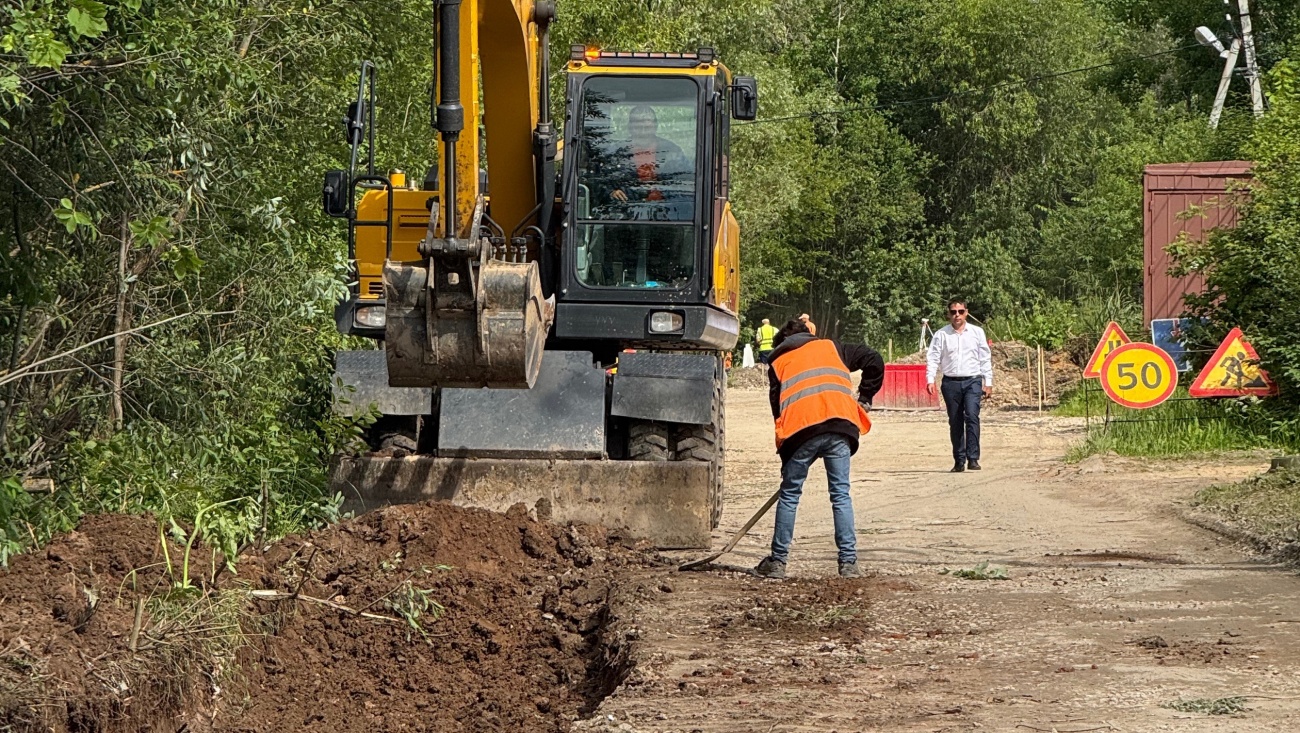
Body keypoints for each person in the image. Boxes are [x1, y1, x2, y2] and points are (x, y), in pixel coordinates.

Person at [754, 319, 885, 580]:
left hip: (801, 431)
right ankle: (848, 563)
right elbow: (874, 359)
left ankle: (778, 562)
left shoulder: (778, 363)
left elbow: (778, 412)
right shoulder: (832, 347)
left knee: (790, 494)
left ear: (782, 344)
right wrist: (865, 398)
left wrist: (787, 457)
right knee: (840, 494)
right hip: (840, 427)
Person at [925, 298, 993, 472]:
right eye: (954, 312)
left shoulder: (977, 332)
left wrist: (988, 382)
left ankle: (973, 457)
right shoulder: (941, 334)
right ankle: (959, 460)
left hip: (973, 380)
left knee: (972, 416)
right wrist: (930, 379)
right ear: (949, 314)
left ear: (966, 312)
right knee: (955, 421)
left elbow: (985, 357)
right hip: (951, 382)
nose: (957, 315)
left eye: (960, 312)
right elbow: (933, 357)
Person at [611, 105, 689, 205]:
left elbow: (685, 181)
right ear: (630, 126)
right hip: (626, 210)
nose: (643, 128)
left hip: (666, 211)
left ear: (655, 125)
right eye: (638, 123)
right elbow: (601, 183)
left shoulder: (671, 151)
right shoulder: (617, 152)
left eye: (647, 123)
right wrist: (611, 193)